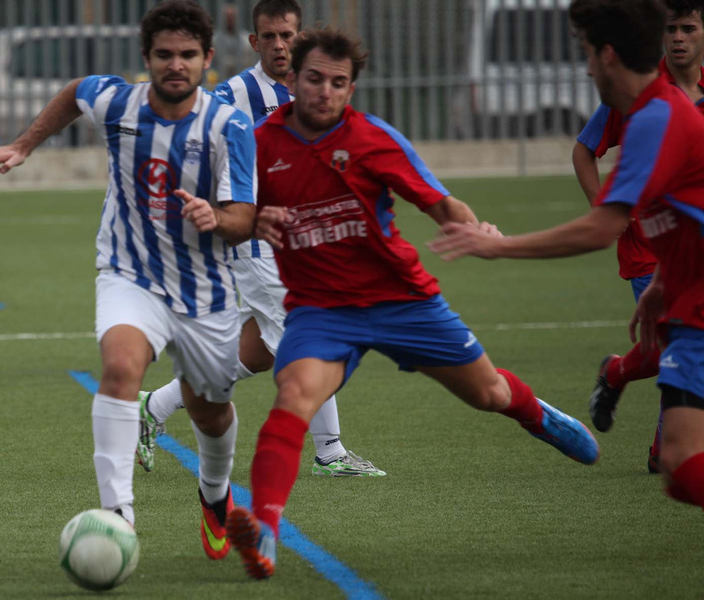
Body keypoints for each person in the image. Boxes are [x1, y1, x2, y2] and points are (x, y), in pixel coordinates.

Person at [225, 27, 600, 580]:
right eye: (314, 79)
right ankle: (266, 534)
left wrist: (479, 231)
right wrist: (254, 218)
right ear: (292, 78)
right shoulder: (260, 143)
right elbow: (231, 217)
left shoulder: (373, 138)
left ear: (351, 89)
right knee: (293, 398)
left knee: (488, 393)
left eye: (338, 83)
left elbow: (441, 204)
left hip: (401, 299)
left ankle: (535, 412)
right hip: (321, 309)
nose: (324, 92)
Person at [0, 0, 256, 561]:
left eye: (186, 55)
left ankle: (215, 493)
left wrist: (215, 218)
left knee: (209, 408)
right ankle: (117, 514)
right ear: (145, 58)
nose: (174, 65)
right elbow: (76, 91)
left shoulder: (230, 125)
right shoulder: (118, 102)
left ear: (207, 60)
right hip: (129, 273)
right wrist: (22, 146)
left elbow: (243, 219)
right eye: (163, 55)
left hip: (206, 289)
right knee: (121, 366)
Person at [429, 0, 704, 515]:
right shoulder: (652, 112)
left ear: (607, 55)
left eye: (585, 53)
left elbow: (601, 229)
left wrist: (499, 245)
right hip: (688, 300)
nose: (583, 68)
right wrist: (663, 286)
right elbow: (689, 214)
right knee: (679, 468)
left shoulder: (656, 118)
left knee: (682, 462)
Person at [137, 0, 385, 478]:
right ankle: (329, 452)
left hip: (299, 242)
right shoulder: (232, 95)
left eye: (287, 35)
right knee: (313, 332)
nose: (279, 45)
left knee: (258, 350)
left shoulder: (313, 90)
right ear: (254, 42)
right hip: (253, 244)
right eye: (269, 37)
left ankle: (156, 405)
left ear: (301, 36)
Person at [572, 0, 704, 473]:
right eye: (671, 29)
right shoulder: (642, 96)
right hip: (652, 249)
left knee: (678, 343)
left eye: (688, 28)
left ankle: (618, 374)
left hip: (692, 251)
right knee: (676, 343)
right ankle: (668, 448)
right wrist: (607, 212)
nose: (678, 38)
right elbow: (584, 151)